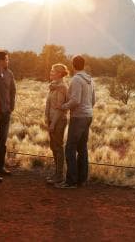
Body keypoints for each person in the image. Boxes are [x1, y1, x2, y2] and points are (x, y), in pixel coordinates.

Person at [56, 55, 95, 189]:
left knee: (70, 148)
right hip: (88, 115)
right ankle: (82, 180)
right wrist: (87, 109)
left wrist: (63, 107)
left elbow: (75, 100)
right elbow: (93, 100)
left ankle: (71, 181)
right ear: (83, 65)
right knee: (82, 148)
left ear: (73, 65)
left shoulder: (76, 80)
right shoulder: (90, 79)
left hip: (78, 117)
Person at [0, 50, 16, 176]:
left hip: (6, 112)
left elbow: (13, 91)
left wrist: (11, 107)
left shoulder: (9, 73)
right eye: (6, 59)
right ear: (0, 60)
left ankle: (0, 167)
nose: (8, 61)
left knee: (2, 141)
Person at [45, 63, 70, 185]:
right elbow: (49, 104)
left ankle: (60, 175)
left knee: (58, 147)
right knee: (53, 147)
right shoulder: (53, 86)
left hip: (58, 120)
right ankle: (57, 173)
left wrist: (53, 124)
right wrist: (46, 118)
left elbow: (60, 109)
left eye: (53, 71)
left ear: (60, 74)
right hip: (51, 119)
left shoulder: (62, 87)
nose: (50, 73)